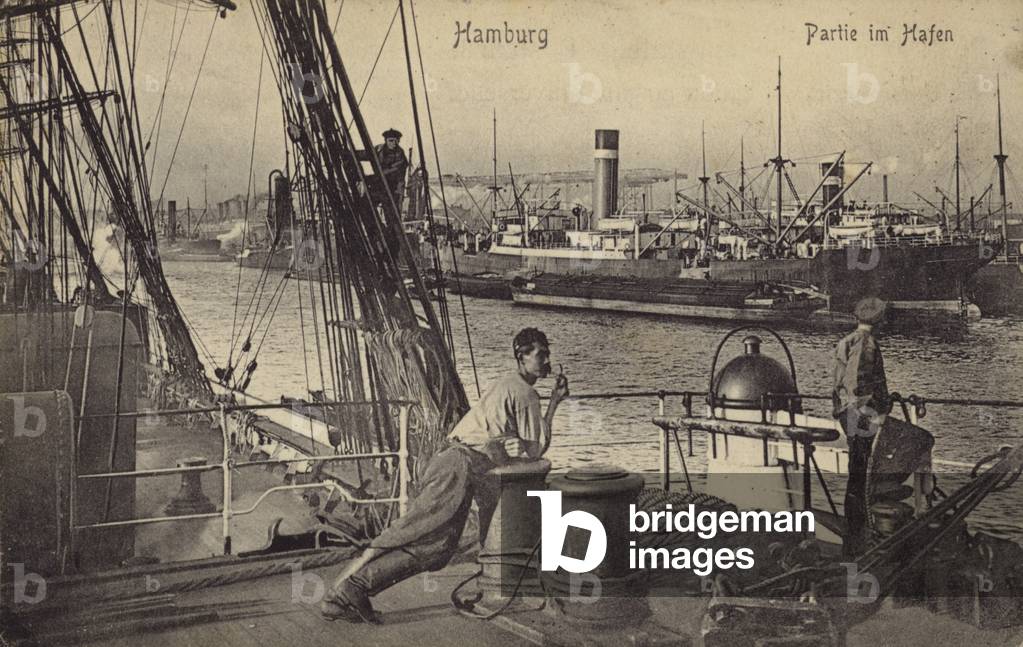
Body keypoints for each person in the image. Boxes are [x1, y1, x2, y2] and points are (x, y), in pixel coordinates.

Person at [320, 327, 570, 623]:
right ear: (522, 357)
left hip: (451, 460)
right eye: (540, 354)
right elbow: (535, 450)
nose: (546, 360)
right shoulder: (526, 392)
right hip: (460, 466)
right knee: (419, 535)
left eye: (546, 354)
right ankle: (349, 588)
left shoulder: (507, 382)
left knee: (437, 547)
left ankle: (346, 593)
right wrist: (555, 402)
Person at [831, 296, 891, 558]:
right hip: (862, 416)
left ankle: (854, 538)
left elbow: (838, 382)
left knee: (857, 477)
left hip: (849, 414)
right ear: (879, 321)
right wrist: (873, 411)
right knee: (861, 478)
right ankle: (856, 541)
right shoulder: (867, 344)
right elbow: (858, 383)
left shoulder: (848, 341)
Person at [374, 128, 409, 213]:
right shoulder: (379, 149)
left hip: (394, 189)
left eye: (396, 141)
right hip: (381, 185)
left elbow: (392, 170)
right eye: (391, 140)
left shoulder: (400, 155)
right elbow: (367, 154)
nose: (393, 143)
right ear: (385, 140)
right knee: (365, 203)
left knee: (391, 213)